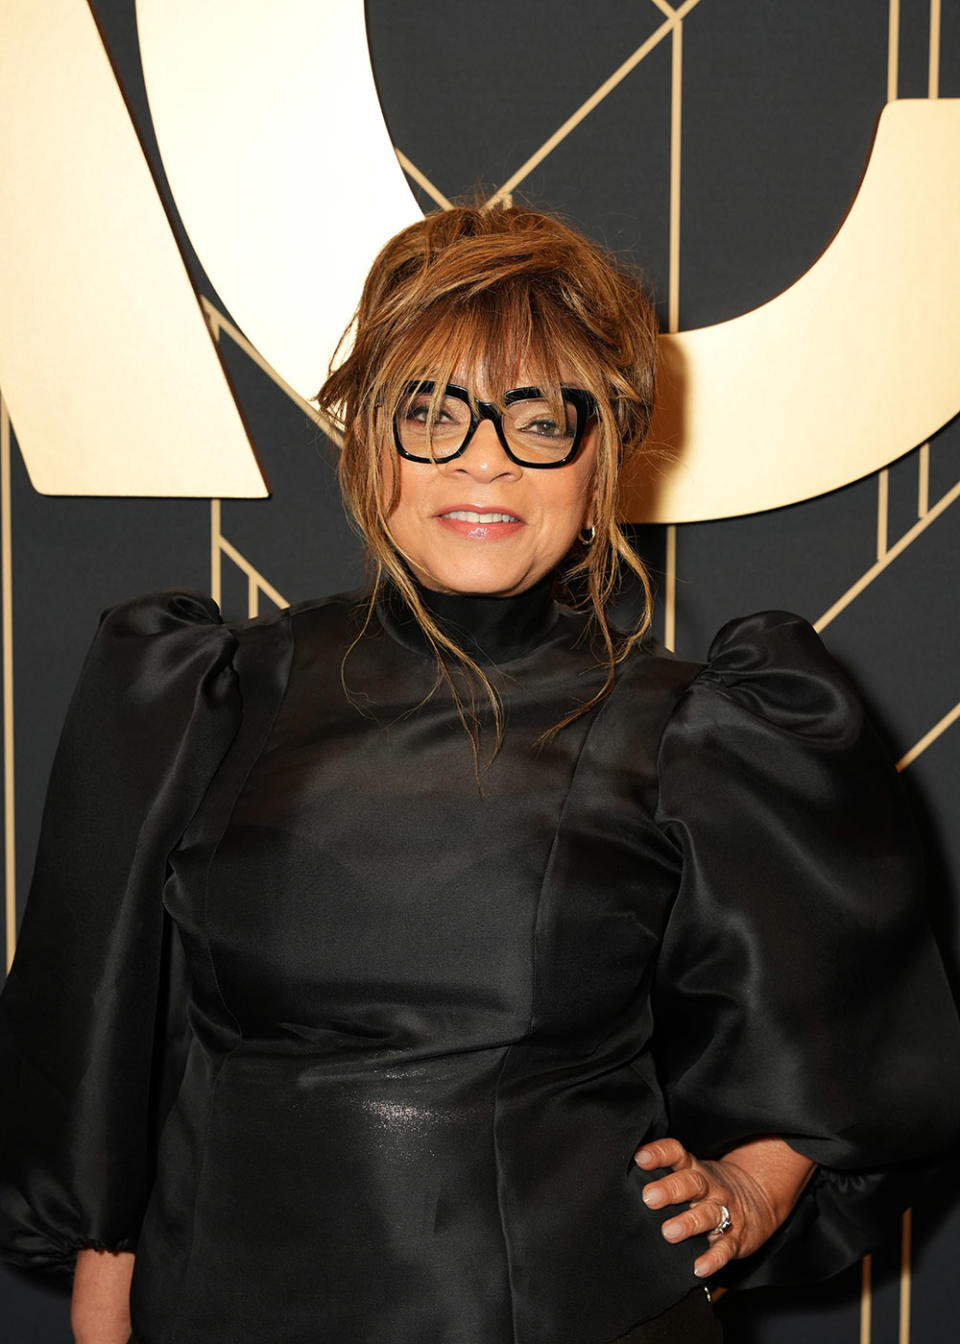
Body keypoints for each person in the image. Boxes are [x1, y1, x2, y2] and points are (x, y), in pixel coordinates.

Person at [1, 203, 958, 1344]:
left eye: (543, 417)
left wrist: (754, 1186)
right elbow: (116, 1051)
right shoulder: (204, 693)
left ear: (603, 449)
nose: (485, 458)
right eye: (433, 412)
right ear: (366, 434)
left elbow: (860, 1028)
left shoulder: (702, 728)